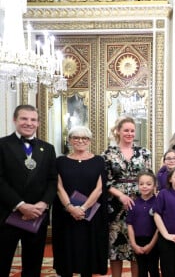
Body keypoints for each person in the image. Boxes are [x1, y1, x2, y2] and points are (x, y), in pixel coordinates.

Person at [0, 104, 57, 277]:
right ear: (15, 120)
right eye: (24, 118)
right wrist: (20, 205)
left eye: (33, 119)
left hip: (37, 216)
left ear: (38, 123)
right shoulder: (2, 145)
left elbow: (52, 180)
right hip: (7, 214)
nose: (29, 123)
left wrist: (43, 203)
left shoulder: (47, 148)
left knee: (33, 266)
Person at [52, 126, 108, 277]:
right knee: (66, 255)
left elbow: (99, 189)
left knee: (87, 256)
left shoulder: (98, 161)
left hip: (90, 214)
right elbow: (58, 187)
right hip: (66, 215)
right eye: (76, 137)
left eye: (84, 138)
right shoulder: (60, 161)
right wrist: (71, 208)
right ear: (70, 140)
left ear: (89, 141)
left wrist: (82, 208)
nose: (80, 141)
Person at [102, 116, 152, 277]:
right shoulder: (108, 153)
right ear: (118, 131)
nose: (129, 133)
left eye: (132, 130)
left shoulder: (144, 152)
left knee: (135, 246)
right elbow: (104, 180)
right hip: (115, 206)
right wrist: (121, 196)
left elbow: (149, 177)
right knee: (115, 248)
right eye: (126, 130)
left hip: (139, 204)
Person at [126, 170, 160, 277]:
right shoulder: (133, 203)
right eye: (141, 184)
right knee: (141, 270)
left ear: (155, 185)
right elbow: (130, 224)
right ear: (138, 185)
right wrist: (134, 244)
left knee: (153, 268)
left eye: (148, 184)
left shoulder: (158, 202)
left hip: (154, 241)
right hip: (138, 241)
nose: (144, 186)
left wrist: (151, 245)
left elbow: (160, 227)